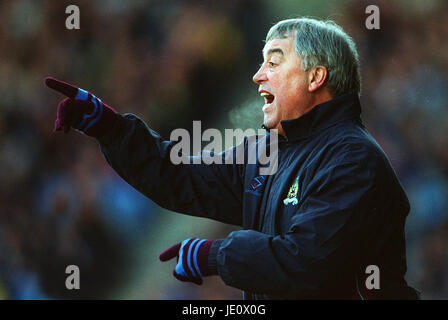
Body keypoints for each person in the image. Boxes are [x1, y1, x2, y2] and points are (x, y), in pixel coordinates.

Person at [45, 18, 420, 299]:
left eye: (274, 63)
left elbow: (305, 263)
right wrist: (110, 128)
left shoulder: (354, 161)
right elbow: (180, 177)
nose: (258, 76)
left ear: (315, 77)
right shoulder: (266, 150)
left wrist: (216, 253)